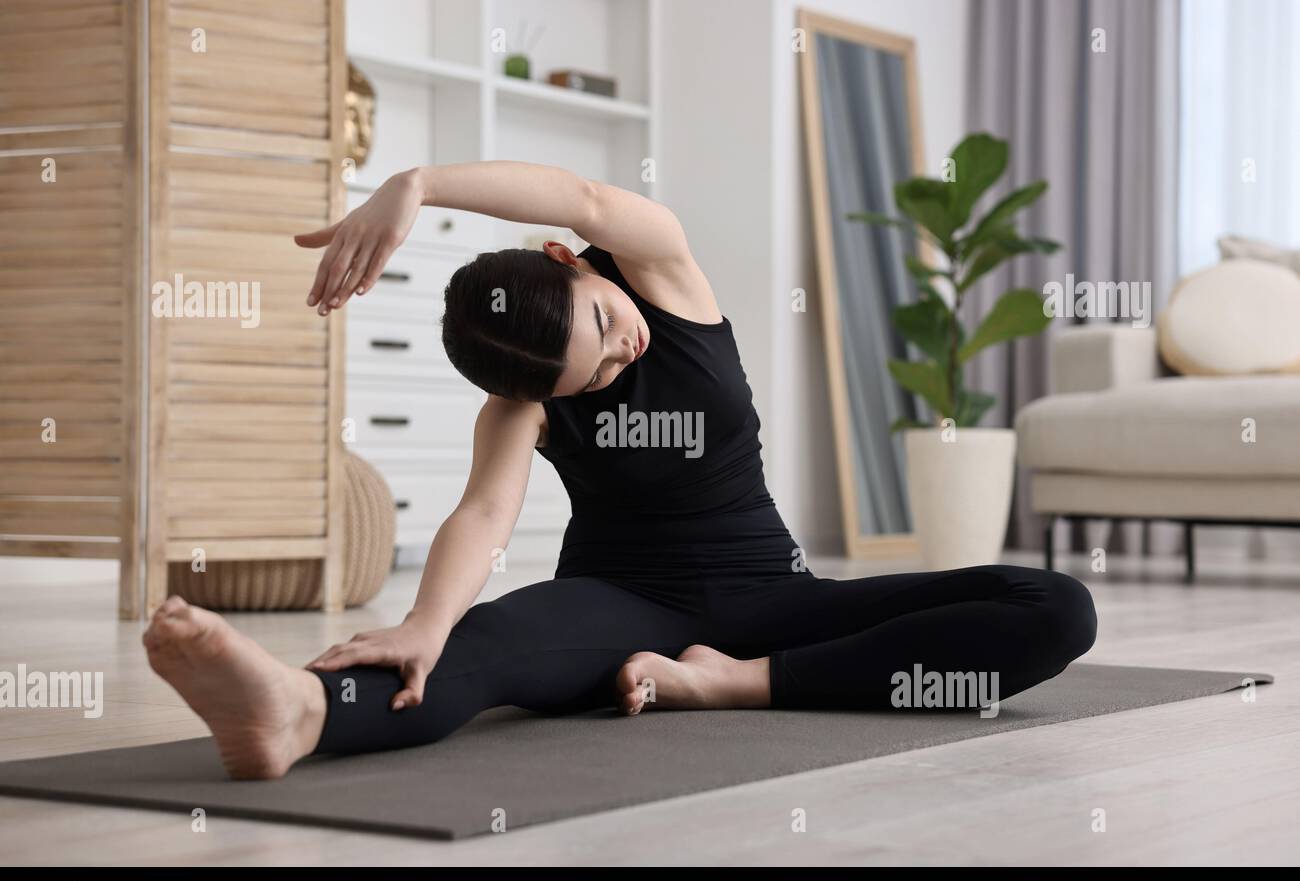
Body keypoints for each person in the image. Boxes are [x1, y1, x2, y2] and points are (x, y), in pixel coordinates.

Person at [143, 162, 1097, 779]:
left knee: (1057, 609)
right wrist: (423, 623)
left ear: (573, 262)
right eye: (590, 376)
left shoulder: (663, 273)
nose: (619, 358)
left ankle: (732, 683)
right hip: (619, 604)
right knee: (478, 649)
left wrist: (419, 183)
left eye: (601, 326)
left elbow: (590, 199)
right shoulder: (522, 400)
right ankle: (298, 711)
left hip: (775, 597)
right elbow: (485, 514)